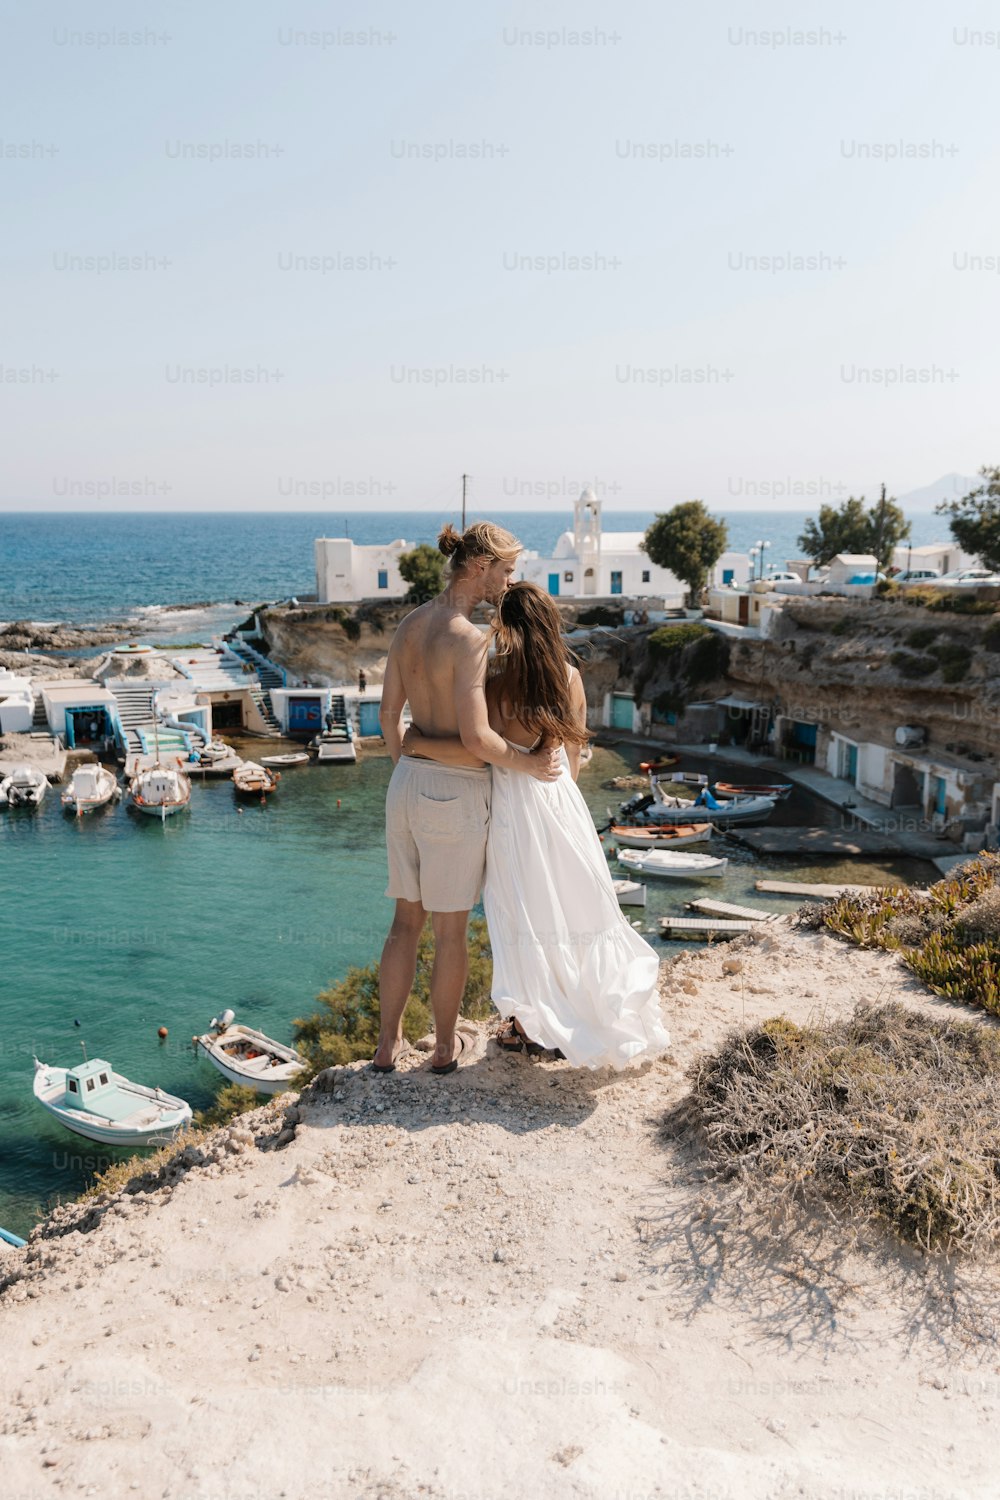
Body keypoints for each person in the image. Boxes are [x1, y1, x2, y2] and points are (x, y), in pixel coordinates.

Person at [403, 582, 670, 1070]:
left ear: (504, 626)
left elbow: (477, 747)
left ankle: (531, 1026)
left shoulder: (495, 680)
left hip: (512, 809)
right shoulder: (569, 676)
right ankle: (580, 1013)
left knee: (523, 914)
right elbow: (574, 761)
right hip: (562, 807)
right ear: (549, 623)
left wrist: (417, 743)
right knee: (575, 908)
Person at [374, 525, 562, 1077]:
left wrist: (411, 761)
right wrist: (528, 763)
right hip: (453, 795)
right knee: (449, 930)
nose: (510, 581)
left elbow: (389, 718)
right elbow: (480, 740)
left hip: (403, 784)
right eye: (506, 569)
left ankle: (387, 1046)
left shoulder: (409, 625)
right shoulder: (470, 638)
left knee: (403, 923)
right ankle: (441, 1049)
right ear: (478, 565)